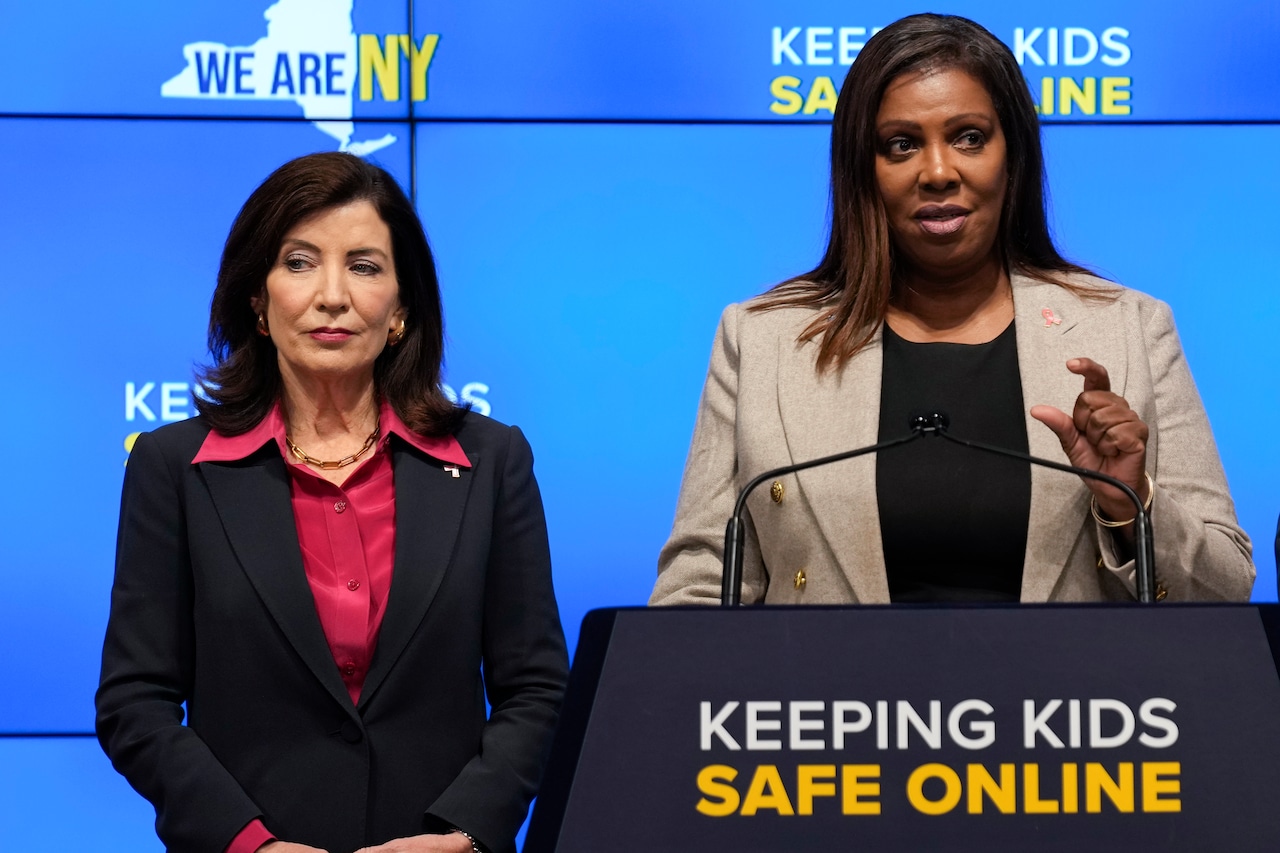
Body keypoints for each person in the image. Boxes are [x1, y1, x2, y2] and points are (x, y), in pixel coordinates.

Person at [650, 14, 1253, 606]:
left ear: (1012, 156)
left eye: (969, 137)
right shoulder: (763, 339)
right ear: (864, 170)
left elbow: (1226, 590)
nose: (938, 172)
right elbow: (696, 588)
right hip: (831, 703)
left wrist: (1131, 503)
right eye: (901, 145)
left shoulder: (1129, 328)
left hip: (1063, 703)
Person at [96, 152, 569, 853]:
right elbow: (134, 702)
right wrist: (247, 843)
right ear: (257, 301)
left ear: (402, 307)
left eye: (365, 266)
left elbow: (536, 687)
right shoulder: (175, 468)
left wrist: (464, 832)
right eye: (299, 262)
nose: (331, 294)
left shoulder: (491, 461)